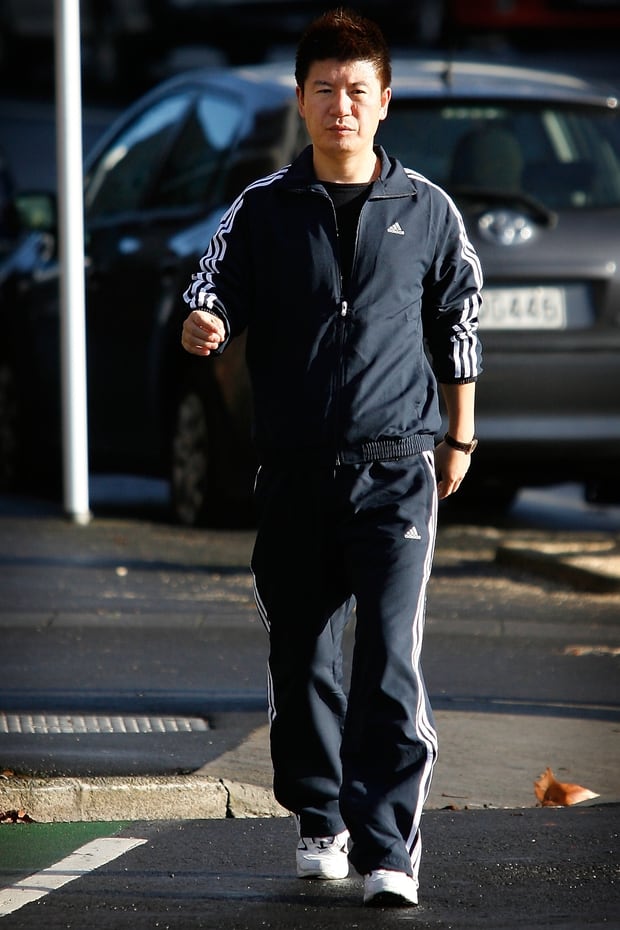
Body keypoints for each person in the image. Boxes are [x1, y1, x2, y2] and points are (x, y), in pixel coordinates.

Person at [181, 6, 482, 908]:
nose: (341, 107)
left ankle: (391, 848)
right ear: (301, 100)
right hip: (295, 472)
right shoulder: (263, 209)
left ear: (384, 101)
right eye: (325, 91)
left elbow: (459, 324)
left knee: (390, 657)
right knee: (303, 655)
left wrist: (460, 437)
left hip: (398, 467)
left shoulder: (428, 210)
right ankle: (320, 815)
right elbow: (211, 284)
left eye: (357, 91)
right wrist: (207, 323)